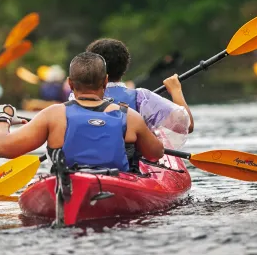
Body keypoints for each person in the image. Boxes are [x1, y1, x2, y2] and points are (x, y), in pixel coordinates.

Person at [0, 52, 164, 171]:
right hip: (119, 188)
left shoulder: (53, 115)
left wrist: (4, 117)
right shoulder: (130, 117)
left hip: (69, 186)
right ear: (105, 82)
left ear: (70, 83)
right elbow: (156, 153)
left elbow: (2, 148)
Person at [81, 38, 194, 172]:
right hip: (128, 168)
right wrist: (176, 90)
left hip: (82, 167)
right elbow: (187, 126)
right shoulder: (141, 97)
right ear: (125, 66)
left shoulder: (75, 97)